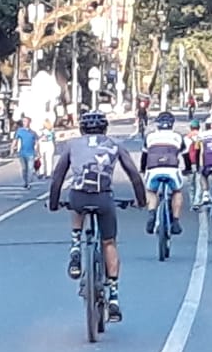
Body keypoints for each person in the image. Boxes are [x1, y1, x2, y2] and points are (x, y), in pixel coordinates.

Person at [48, 111, 147, 322]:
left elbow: (58, 177)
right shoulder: (115, 144)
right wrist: (141, 201)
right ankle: (113, 296)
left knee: (75, 201)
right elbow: (134, 176)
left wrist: (54, 204)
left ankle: (75, 245)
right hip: (104, 198)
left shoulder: (72, 145)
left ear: (81, 129)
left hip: (79, 197)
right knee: (109, 242)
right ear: (105, 129)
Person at [142, 111, 187, 235]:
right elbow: (185, 155)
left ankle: (152, 213)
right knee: (177, 192)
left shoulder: (150, 137)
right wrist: (188, 169)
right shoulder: (177, 137)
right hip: (171, 168)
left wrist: (143, 169)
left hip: (153, 168)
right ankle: (176, 221)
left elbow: (144, 156)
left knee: (151, 191)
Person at [12, 117, 39, 189]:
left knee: (30, 169)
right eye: (23, 121)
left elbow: (37, 142)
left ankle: (29, 183)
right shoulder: (19, 131)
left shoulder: (33, 132)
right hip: (22, 153)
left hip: (31, 153)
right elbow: (15, 140)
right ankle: (25, 182)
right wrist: (12, 148)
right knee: (24, 169)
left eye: (26, 121)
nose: (24, 123)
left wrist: (37, 152)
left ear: (29, 122)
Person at [183, 119, 203, 209]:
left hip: (189, 163)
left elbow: (184, 152)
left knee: (191, 184)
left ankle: (192, 203)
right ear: (199, 127)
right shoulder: (202, 136)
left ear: (191, 128)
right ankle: (197, 201)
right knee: (199, 182)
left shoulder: (186, 138)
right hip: (200, 162)